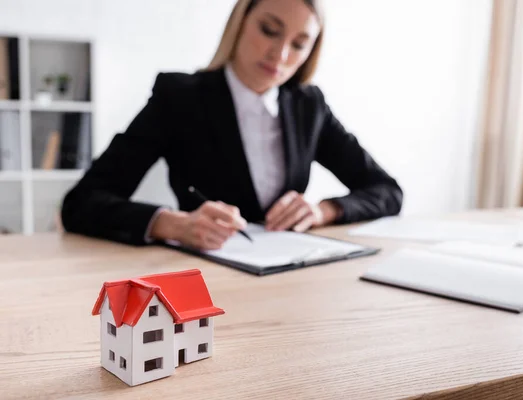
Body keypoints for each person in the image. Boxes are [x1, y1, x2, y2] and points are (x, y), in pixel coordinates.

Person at [61, 0, 403, 251]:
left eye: (299, 44)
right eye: (269, 30)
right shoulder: (179, 98)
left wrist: (322, 210)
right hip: (204, 277)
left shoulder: (307, 105)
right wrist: (175, 224)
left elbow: (387, 191)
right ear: (240, 22)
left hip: (290, 277)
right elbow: (81, 202)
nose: (280, 54)